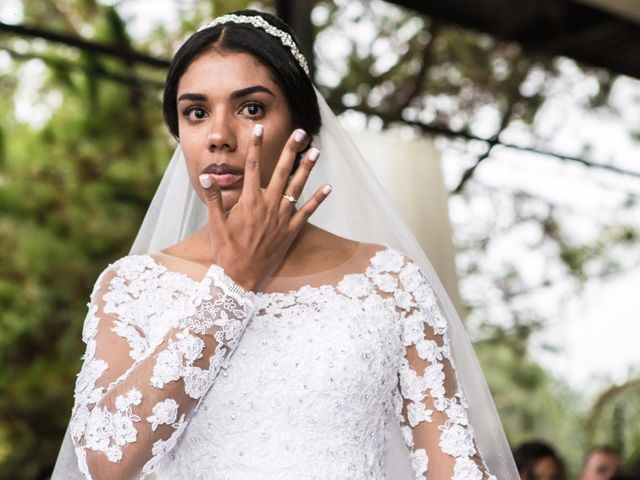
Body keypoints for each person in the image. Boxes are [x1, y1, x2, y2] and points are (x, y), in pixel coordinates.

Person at [50, 9, 519, 480]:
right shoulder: (131, 286)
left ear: (304, 127)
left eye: (251, 108)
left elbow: (453, 467)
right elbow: (106, 463)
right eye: (196, 113)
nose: (218, 137)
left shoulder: (388, 281)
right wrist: (234, 283)